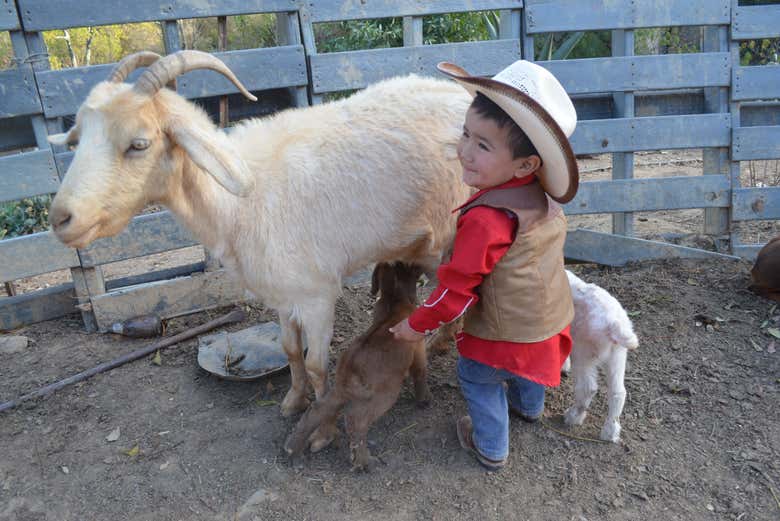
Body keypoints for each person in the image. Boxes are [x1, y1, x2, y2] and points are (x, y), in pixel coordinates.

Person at [390, 60, 579, 471]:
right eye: (465, 135)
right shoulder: (544, 199)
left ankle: (490, 445)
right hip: (551, 318)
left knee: (477, 376)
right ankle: (529, 408)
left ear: (526, 164)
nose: (464, 152)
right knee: (529, 370)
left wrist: (416, 324)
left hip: (503, 332)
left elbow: (456, 291)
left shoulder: (486, 218)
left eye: (483, 146)